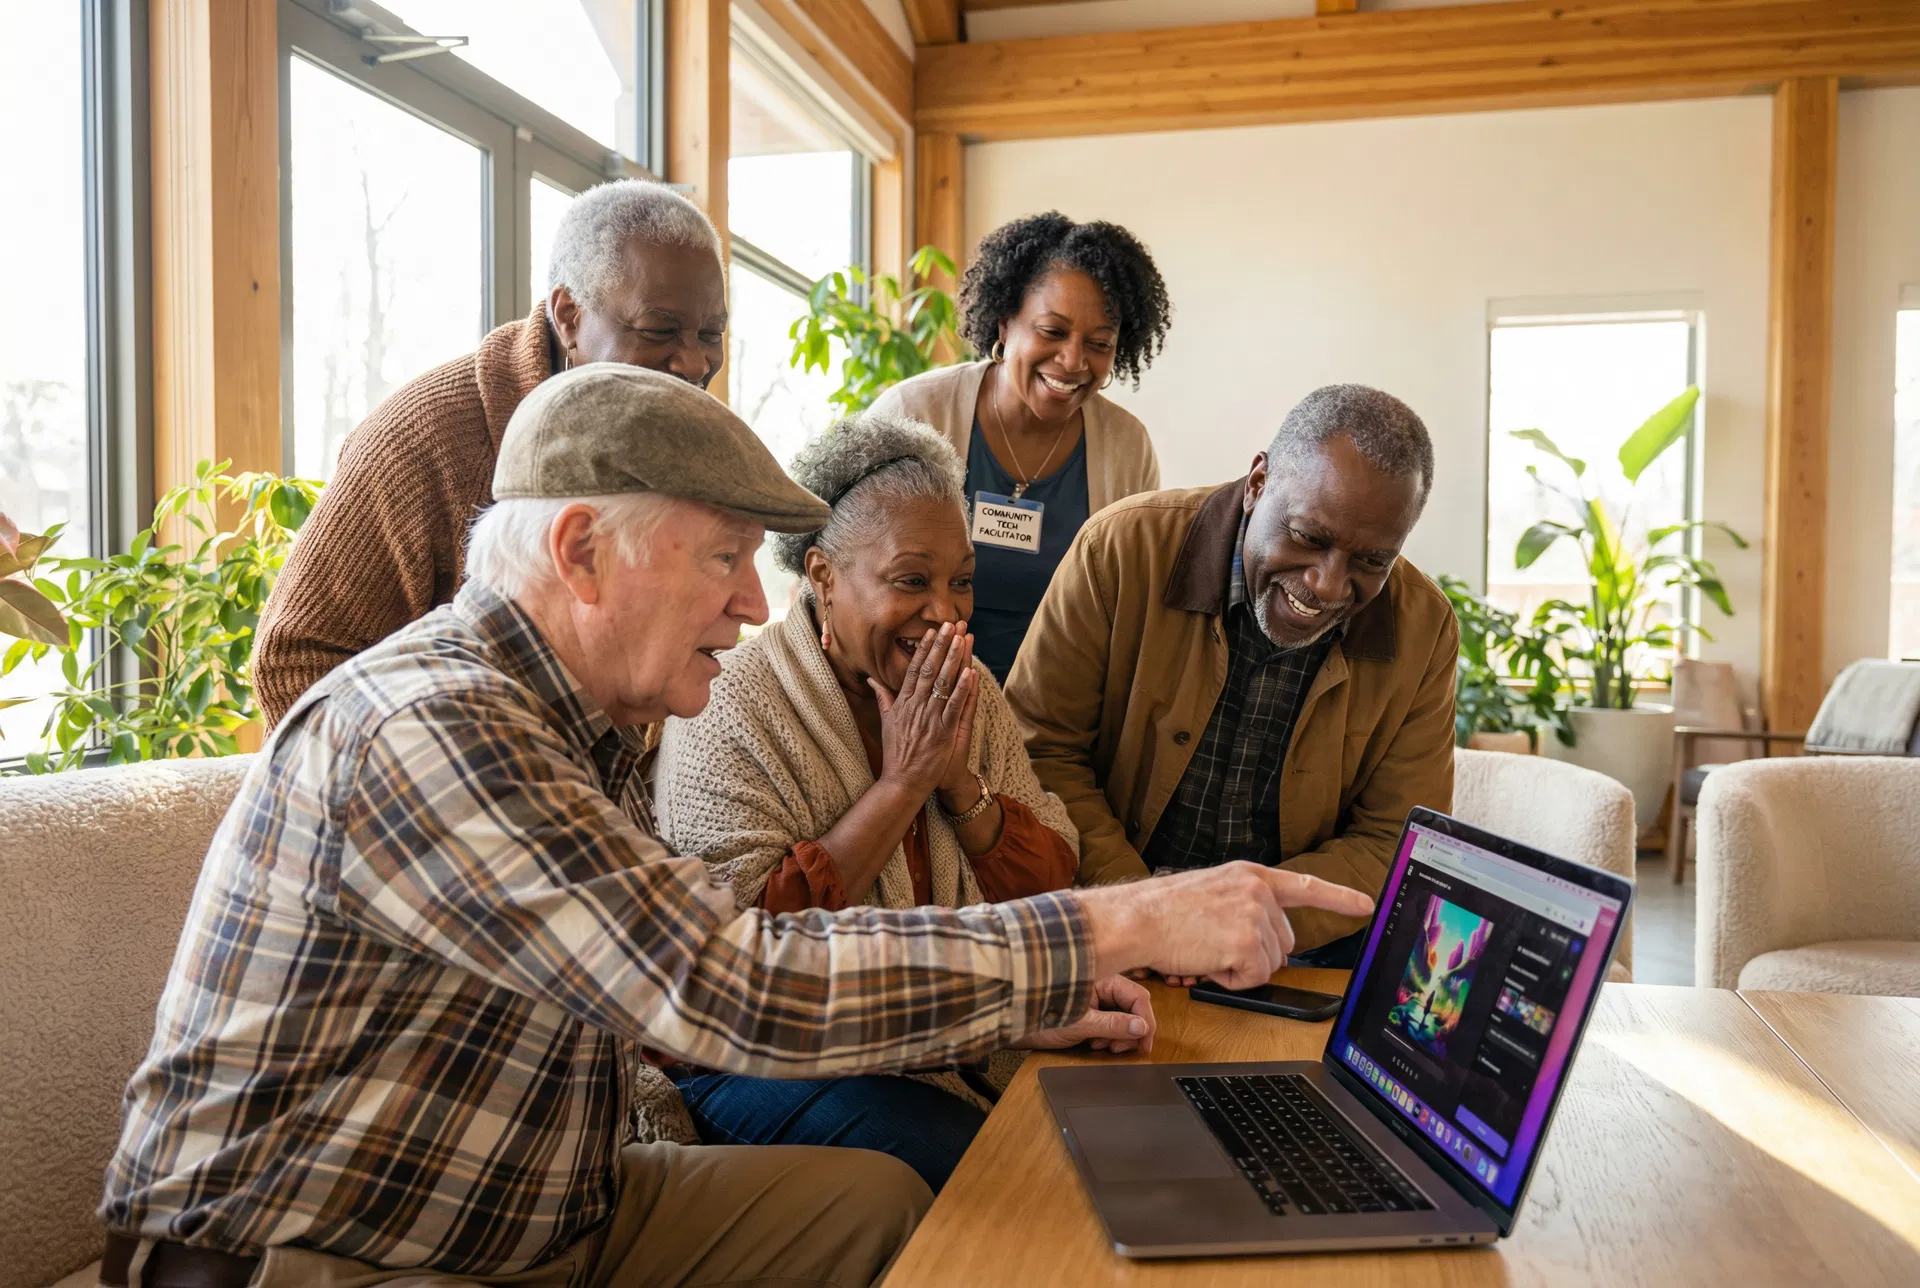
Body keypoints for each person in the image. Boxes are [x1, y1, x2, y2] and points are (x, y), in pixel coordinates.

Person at [97, 365, 1375, 1288]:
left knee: (877, 1207)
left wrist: (1003, 1003)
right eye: (723, 559)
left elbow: (679, 975)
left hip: (549, 1208)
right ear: (583, 550)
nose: (752, 607)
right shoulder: (432, 724)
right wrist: (1126, 918)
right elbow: (730, 982)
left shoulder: (587, 725)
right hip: (337, 1250)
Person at [654, 414, 1077, 1192]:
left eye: (962, 581)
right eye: (912, 580)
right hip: (755, 1061)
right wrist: (902, 785)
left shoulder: (971, 693)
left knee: (1098, 1137)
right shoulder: (727, 704)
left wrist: (958, 784)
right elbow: (745, 956)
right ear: (822, 577)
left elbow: (1051, 886)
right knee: (990, 1174)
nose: (946, 611)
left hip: (950, 1042)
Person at [1007, 384, 1458, 969]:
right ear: (1257, 484)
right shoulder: (1118, 550)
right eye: (1309, 537)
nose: (1326, 584)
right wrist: (1147, 914)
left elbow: (1395, 838)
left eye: (1371, 561)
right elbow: (1039, 752)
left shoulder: (1425, 629)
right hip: (1108, 924)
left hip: (1293, 950)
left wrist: (1241, 925)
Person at [252, 178, 729, 728]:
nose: (694, 364)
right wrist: (474, 767)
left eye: (710, 334)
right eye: (659, 330)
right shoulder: (424, 440)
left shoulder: (669, 436)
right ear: (569, 315)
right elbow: (294, 658)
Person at [870, 212, 1171, 681]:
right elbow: (847, 566)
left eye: (1099, 343)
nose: (1073, 360)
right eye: (1052, 332)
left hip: (1057, 705)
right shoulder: (915, 411)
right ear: (1005, 322)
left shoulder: (1127, 448)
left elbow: (1131, 607)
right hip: (908, 688)